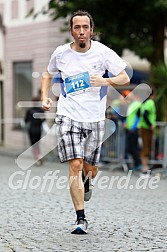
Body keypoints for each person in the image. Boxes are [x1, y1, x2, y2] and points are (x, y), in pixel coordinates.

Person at [41, 10, 130, 234]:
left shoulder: (102, 52)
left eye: (85, 27)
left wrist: (105, 80)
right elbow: (46, 74)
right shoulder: (61, 53)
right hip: (68, 114)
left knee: (90, 169)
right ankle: (80, 218)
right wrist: (45, 96)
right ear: (71, 30)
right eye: (77, 28)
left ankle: (87, 181)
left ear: (91, 29)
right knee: (76, 164)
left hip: (94, 118)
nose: (81, 32)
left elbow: (125, 77)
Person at [139, 89, 156, 176]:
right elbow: (145, 114)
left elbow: (140, 113)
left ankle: (145, 167)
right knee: (146, 147)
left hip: (142, 127)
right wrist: (150, 125)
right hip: (146, 128)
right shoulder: (150, 102)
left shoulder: (144, 103)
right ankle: (144, 169)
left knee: (145, 147)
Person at [124, 91, 142, 171]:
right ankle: (135, 164)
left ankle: (138, 164)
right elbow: (129, 116)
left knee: (133, 147)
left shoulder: (138, 104)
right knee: (130, 147)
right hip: (129, 128)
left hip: (133, 129)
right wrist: (125, 122)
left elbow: (138, 117)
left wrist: (133, 127)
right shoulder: (132, 104)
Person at [25, 96, 45, 166]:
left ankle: (37, 158)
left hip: (32, 129)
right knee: (37, 144)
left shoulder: (30, 111)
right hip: (38, 129)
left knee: (34, 145)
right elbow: (43, 120)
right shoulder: (41, 110)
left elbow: (26, 120)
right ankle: (38, 156)